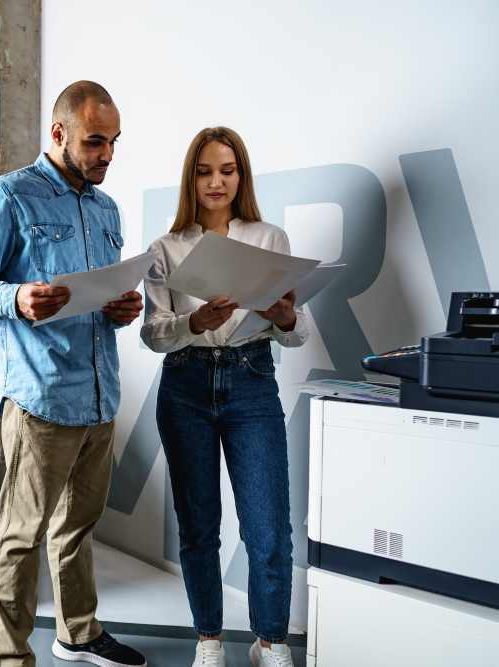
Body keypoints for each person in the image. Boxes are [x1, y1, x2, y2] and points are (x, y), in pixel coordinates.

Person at [0, 81, 146, 667]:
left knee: (79, 529)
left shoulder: (107, 209)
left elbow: (103, 298)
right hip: (41, 400)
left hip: (101, 396)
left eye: (113, 142)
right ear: (58, 134)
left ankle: (78, 633)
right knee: (20, 536)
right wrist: (14, 299)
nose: (106, 154)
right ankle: (11, 657)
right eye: (94, 141)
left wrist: (123, 310)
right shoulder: (12, 197)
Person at [141, 128, 309, 667]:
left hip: (251, 379)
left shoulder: (270, 238)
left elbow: (295, 332)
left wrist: (286, 317)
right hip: (186, 385)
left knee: (268, 527)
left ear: (242, 175)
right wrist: (194, 320)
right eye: (206, 170)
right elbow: (152, 332)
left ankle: (270, 641)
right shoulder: (165, 249)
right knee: (199, 527)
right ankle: (209, 639)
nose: (217, 182)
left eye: (228, 170)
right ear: (191, 177)